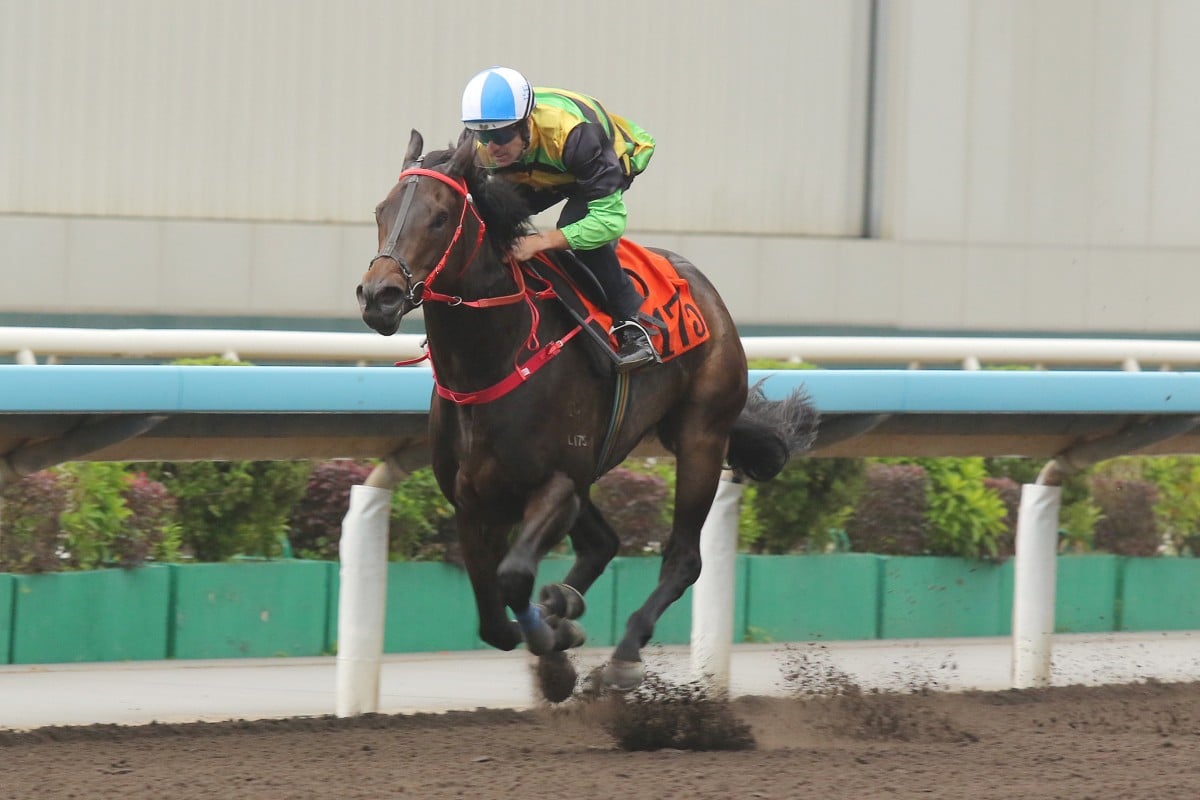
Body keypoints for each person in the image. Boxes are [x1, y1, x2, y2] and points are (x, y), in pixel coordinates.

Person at [460, 66, 658, 371]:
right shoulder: (479, 147)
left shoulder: (576, 134)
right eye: (484, 135)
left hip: (597, 161)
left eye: (500, 134)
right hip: (536, 167)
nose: (492, 146)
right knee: (487, 219)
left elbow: (609, 222)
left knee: (573, 228)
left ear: (526, 123)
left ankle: (631, 325)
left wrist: (540, 242)